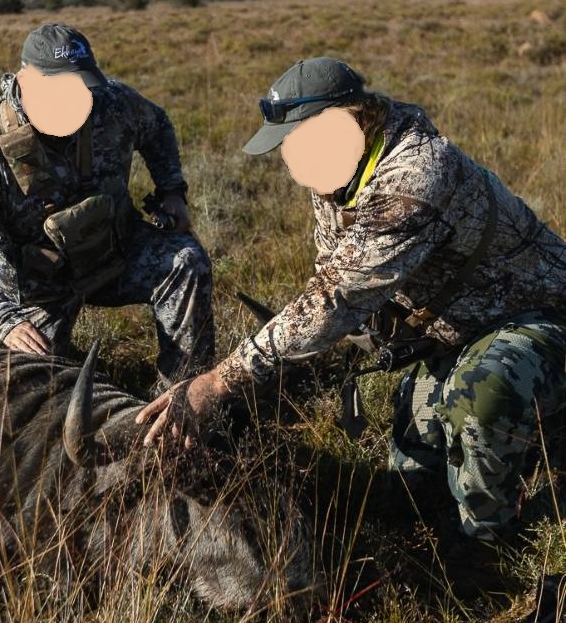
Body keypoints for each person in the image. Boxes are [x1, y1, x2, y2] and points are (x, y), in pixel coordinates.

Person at [137, 56, 566, 593]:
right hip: (452, 330)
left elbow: (336, 298)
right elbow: (334, 280)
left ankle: (486, 551)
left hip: (538, 320)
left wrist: (219, 381)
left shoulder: (415, 175)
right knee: (409, 491)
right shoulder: (343, 172)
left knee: (480, 395)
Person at [0, 23, 215, 389]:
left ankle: (182, 401)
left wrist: (172, 191)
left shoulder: (111, 104)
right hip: (41, 288)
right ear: (26, 80)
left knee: (186, 263)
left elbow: (157, 124)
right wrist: (7, 322)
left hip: (116, 253)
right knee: (28, 390)